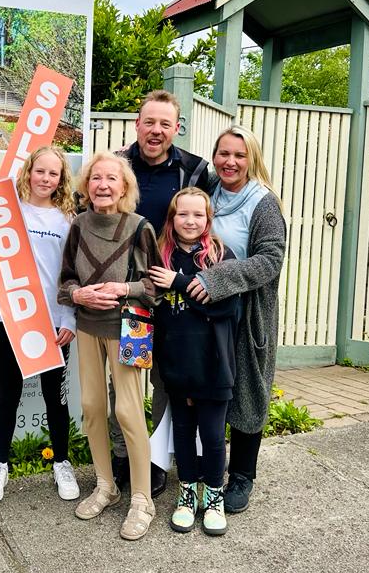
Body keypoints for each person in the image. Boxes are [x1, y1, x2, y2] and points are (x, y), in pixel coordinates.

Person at [0, 146, 80, 504]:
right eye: (40, 172)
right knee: (9, 393)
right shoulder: (5, 210)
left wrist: (69, 318)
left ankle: (62, 462)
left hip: (53, 324)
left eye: (53, 174)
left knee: (56, 397)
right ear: (29, 171)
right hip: (12, 320)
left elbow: (72, 275)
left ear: (61, 180)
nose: (46, 179)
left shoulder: (67, 219)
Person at [111, 89, 213, 498]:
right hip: (131, 297)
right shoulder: (116, 164)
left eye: (165, 124)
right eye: (149, 122)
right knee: (128, 380)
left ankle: (156, 458)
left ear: (176, 127)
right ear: (137, 124)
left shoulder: (194, 170)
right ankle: (126, 456)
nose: (156, 131)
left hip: (173, 298)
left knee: (167, 383)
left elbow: (207, 223)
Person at [58, 152, 161, 540]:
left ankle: (142, 500)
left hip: (128, 329)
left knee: (130, 411)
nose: (103, 185)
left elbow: (154, 287)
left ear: (124, 187)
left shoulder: (139, 227)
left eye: (111, 179)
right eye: (96, 178)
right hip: (87, 327)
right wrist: (80, 294)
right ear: (86, 186)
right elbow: (66, 281)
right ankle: (106, 486)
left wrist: (124, 288)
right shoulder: (78, 226)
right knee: (92, 407)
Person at [187, 125, 286, 515]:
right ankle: (208, 466)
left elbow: (270, 259)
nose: (230, 162)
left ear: (252, 159)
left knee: (247, 392)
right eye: (223, 153)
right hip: (204, 314)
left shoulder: (262, 203)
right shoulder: (208, 191)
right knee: (206, 393)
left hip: (246, 316)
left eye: (239, 155)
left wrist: (217, 279)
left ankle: (243, 476)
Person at [148, 188, 239, 536]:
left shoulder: (220, 256)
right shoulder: (162, 259)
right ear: (172, 219)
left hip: (215, 365)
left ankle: (213, 496)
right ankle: (188, 494)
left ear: (208, 219)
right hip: (176, 363)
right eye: (182, 214)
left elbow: (226, 307)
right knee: (183, 433)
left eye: (197, 215)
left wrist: (182, 283)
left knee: (213, 436)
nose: (190, 221)